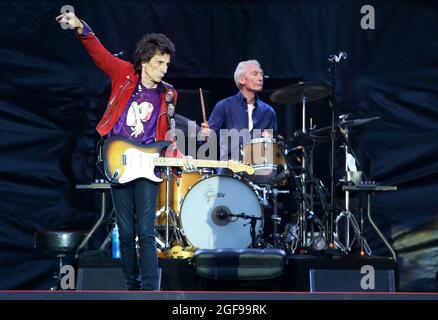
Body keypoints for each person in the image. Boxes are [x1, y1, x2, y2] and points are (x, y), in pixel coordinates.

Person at [56, 12, 193, 290]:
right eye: (158, 63)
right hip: (118, 158)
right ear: (144, 62)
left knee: (145, 230)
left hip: (149, 165)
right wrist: (82, 26)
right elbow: (100, 55)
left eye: (167, 64)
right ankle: (132, 285)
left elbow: (167, 135)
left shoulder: (168, 94)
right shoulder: (124, 74)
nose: (164, 69)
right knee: (126, 232)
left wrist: (180, 158)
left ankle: (151, 289)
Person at [201, 60, 277, 161]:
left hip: (258, 165)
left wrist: (270, 139)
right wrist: (205, 136)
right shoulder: (224, 106)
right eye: (255, 74)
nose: (260, 78)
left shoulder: (268, 112)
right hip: (229, 165)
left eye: (261, 74)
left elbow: (273, 146)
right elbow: (206, 142)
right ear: (242, 79)